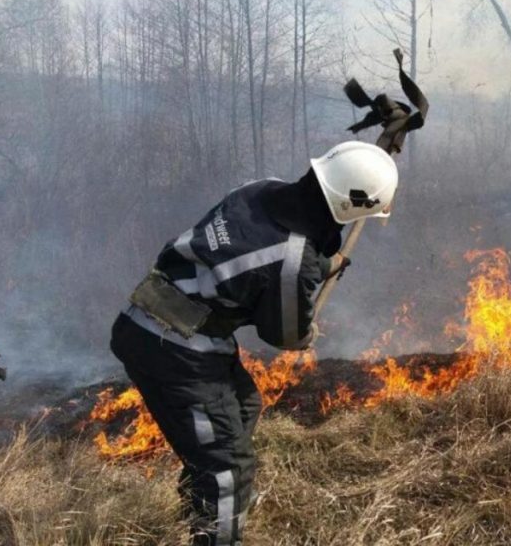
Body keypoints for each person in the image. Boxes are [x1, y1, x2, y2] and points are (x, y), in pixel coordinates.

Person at [109, 141, 398, 546]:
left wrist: (324, 265)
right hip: (174, 347)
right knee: (228, 467)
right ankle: (218, 525)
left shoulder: (260, 189)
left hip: (158, 321)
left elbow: (254, 246)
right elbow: (284, 335)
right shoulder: (294, 261)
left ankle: (203, 507)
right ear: (350, 209)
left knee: (243, 407)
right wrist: (308, 328)